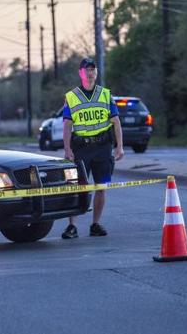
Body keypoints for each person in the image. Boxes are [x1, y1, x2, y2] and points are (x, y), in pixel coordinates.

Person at [61, 57, 124, 239]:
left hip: (103, 147)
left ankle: (95, 224)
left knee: (101, 187)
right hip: (81, 148)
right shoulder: (71, 97)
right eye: (87, 70)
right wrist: (67, 149)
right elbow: (67, 125)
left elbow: (116, 122)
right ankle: (72, 227)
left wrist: (120, 146)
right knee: (78, 187)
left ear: (96, 73)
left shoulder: (106, 94)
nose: (90, 73)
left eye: (93, 70)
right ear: (80, 73)